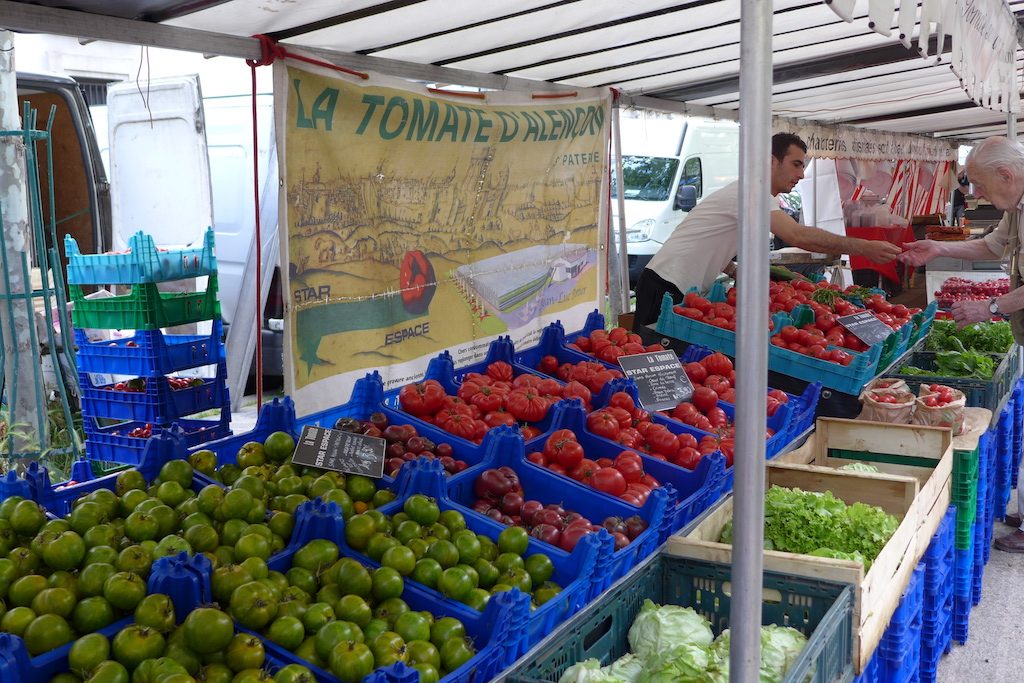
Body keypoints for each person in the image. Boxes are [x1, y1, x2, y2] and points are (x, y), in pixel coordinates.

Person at [631, 133, 902, 330]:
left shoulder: (751, 192)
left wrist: (733, 270)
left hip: (675, 285)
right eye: (796, 164)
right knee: (652, 361)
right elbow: (798, 235)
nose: (802, 174)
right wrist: (863, 247)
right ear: (772, 161)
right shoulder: (753, 191)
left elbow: (710, 234)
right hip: (665, 284)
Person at [899, 135, 1024, 552]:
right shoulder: (1016, 205)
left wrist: (991, 308)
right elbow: (992, 245)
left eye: (981, 185)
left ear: (1006, 174)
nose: (976, 195)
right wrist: (938, 248)